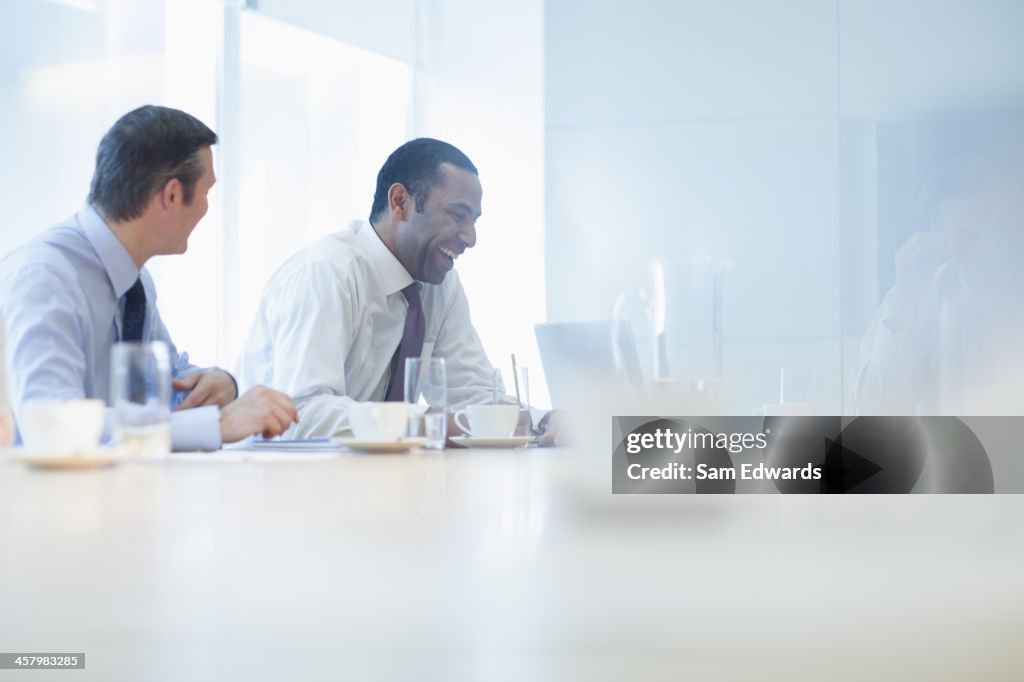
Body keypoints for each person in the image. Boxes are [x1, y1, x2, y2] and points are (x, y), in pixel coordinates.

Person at [0, 105, 297, 449]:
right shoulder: (46, 277)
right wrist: (219, 423)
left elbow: (166, 382)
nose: (207, 207)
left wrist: (221, 383)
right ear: (171, 195)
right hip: (43, 498)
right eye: (207, 192)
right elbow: (53, 421)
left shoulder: (134, 281)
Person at [238, 138, 558, 442]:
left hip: (374, 482)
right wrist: (425, 424)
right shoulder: (326, 273)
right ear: (400, 202)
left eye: (474, 221)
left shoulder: (439, 286)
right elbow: (301, 416)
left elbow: (473, 396)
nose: (470, 238)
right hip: (279, 482)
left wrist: (546, 421)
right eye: (457, 216)